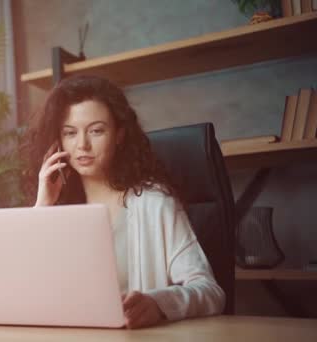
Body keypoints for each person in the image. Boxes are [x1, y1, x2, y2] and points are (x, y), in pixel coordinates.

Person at [24, 75, 225, 329]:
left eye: (96, 131)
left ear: (119, 135)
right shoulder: (55, 210)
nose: (82, 144)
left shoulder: (154, 203)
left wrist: (157, 303)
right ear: (59, 141)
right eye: (70, 133)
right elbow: (25, 291)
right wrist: (42, 207)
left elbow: (211, 292)